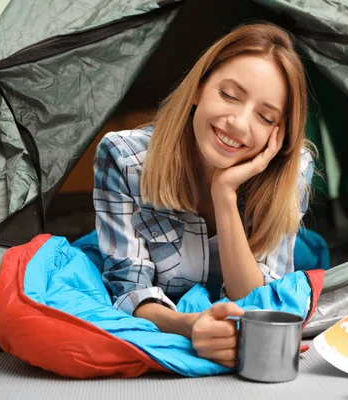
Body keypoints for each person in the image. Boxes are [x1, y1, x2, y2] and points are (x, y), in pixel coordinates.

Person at [93, 23, 314, 368]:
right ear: (199, 88)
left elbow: (257, 304)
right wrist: (187, 325)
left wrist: (224, 194)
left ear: (278, 132)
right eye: (229, 95)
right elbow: (129, 291)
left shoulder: (294, 169)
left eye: (264, 116)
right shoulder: (124, 158)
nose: (239, 123)